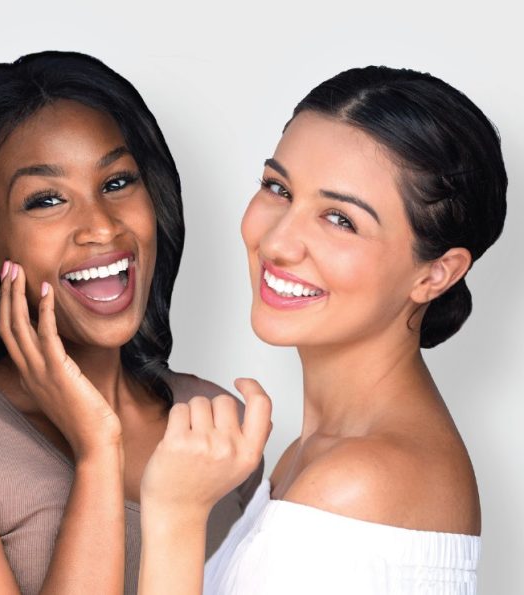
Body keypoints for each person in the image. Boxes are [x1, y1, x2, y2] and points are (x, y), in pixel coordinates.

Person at [0, 50, 262, 595]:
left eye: (118, 183)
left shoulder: (215, 427)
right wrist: (98, 453)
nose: (100, 226)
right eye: (47, 200)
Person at [139, 66, 506, 594]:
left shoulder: (360, 483)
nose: (279, 242)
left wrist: (174, 513)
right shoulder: (316, 455)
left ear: (437, 273)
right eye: (278, 188)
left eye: (340, 219)